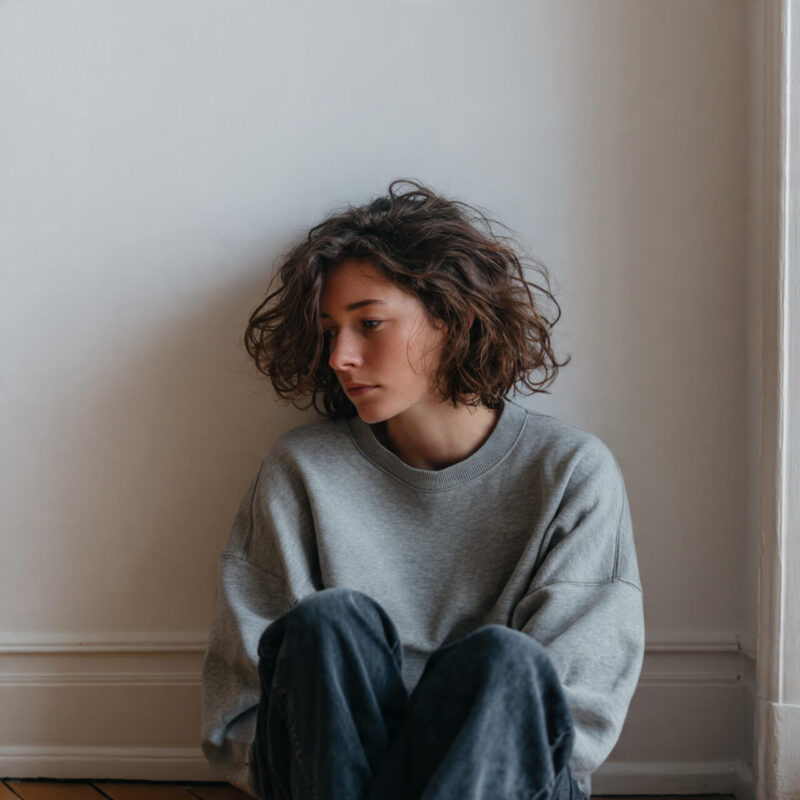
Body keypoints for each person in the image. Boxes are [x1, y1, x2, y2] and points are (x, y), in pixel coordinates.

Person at [200, 179, 645, 800]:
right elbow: (248, 695)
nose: (340, 357)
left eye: (370, 323)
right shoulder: (303, 468)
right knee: (328, 623)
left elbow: (573, 714)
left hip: (502, 778)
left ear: (451, 317)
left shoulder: (570, 471)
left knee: (505, 663)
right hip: (331, 778)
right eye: (330, 331)